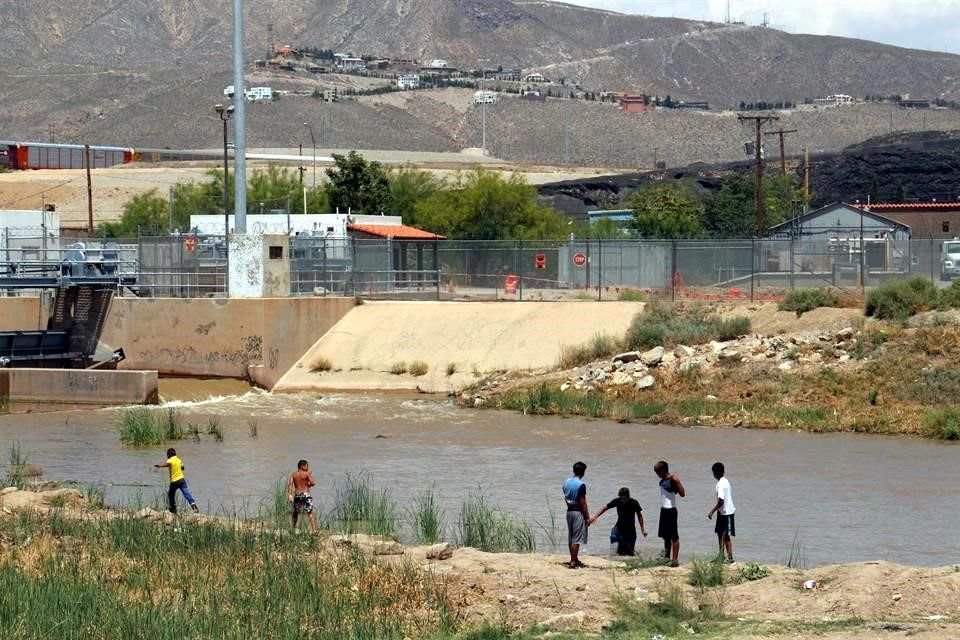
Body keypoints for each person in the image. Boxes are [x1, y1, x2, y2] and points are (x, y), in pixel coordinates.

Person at [588, 487, 647, 556]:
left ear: (628, 496)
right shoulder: (617, 501)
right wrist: (595, 517)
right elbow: (605, 508)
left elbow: (639, 516)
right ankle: (613, 556)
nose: (622, 500)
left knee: (629, 554)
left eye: (624, 498)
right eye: (621, 498)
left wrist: (643, 529)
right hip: (619, 526)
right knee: (613, 537)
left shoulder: (634, 503)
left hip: (630, 529)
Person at [654, 460, 685, 567]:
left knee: (674, 536)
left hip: (671, 510)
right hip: (664, 510)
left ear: (663, 470)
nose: (657, 474)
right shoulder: (662, 480)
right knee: (665, 536)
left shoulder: (673, 479)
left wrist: (678, 481)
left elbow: (682, 494)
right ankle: (667, 557)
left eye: (658, 472)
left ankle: (675, 560)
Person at [562, 461, 590, 569]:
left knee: (571, 536)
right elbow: (583, 502)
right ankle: (573, 562)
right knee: (577, 538)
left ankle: (574, 558)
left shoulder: (566, 482)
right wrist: (587, 517)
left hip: (569, 511)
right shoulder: (581, 485)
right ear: (582, 472)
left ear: (574, 470)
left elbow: (566, 496)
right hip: (578, 512)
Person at [706, 461, 736, 564]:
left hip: (725, 513)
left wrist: (711, 512)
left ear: (715, 473)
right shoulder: (726, 481)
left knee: (725, 535)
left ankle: (730, 558)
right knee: (720, 533)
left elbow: (721, 501)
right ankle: (721, 555)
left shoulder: (720, 485)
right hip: (726, 511)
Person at [154, 448, 199, 514]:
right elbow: (183, 468)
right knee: (186, 493)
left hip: (174, 481)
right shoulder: (179, 460)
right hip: (182, 480)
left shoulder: (170, 460)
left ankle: (173, 509)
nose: (167, 456)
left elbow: (167, 464)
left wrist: (159, 466)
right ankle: (194, 506)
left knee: (171, 495)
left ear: (169, 454)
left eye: (167, 454)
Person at [287, 459, 318, 532]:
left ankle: (293, 529)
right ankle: (314, 530)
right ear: (302, 466)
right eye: (307, 466)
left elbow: (290, 485)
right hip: (305, 494)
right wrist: (307, 483)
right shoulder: (306, 473)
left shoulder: (293, 474)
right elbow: (313, 483)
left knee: (295, 512)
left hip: (297, 495)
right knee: (310, 512)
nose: (308, 467)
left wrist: (290, 495)